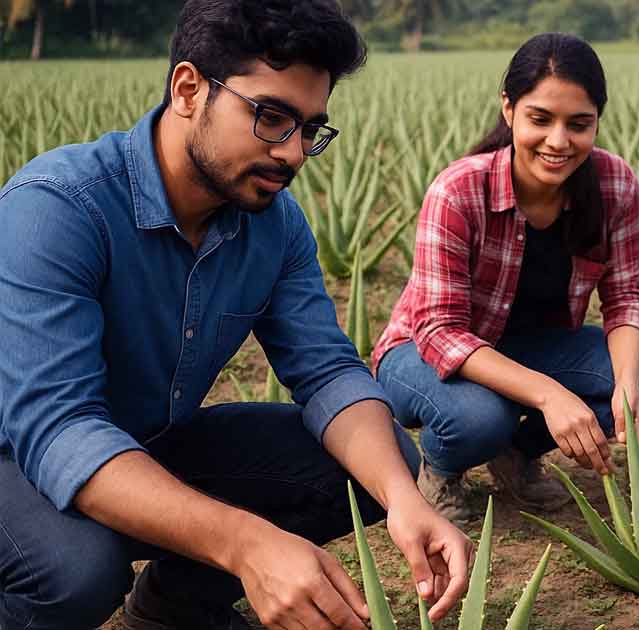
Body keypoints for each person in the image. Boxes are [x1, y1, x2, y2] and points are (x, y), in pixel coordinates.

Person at [0, 2, 472, 629]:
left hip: (146, 443)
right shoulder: (59, 209)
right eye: (272, 117)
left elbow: (328, 371)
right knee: (76, 570)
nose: (295, 153)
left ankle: (174, 610)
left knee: (376, 469)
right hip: (18, 457)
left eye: (309, 129)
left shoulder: (273, 224)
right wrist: (246, 543)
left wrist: (404, 500)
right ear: (189, 89)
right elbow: (60, 429)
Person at [372, 32, 639, 526]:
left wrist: (625, 386)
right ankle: (441, 467)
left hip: (533, 346)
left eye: (579, 124)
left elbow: (626, 297)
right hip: (421, 351)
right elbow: (440, 332)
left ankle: (515, 454)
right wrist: (550, 394)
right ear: (509, 110)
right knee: (479, 418)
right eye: (541, 119)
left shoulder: (614, 183)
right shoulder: (459, 190)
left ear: (597, 120)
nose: (559, 142)